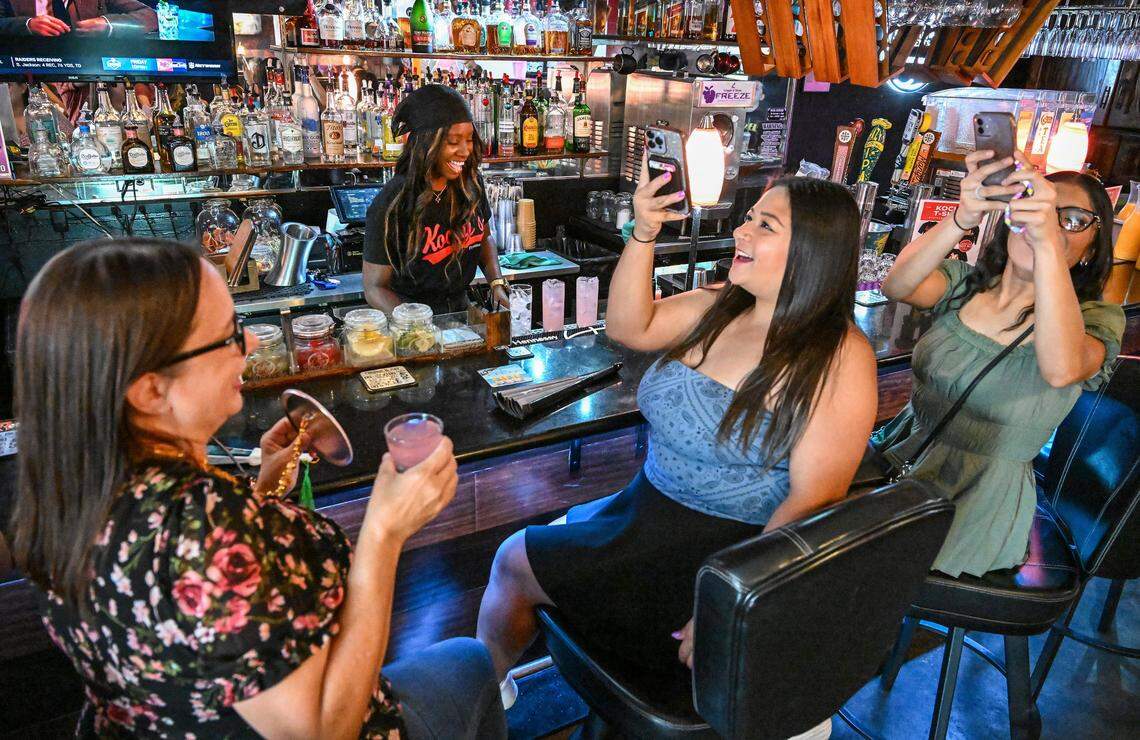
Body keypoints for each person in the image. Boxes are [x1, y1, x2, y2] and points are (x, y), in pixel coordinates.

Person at [7, 238, 507, 739]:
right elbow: (321, 729)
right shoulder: (200, 529)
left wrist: (259, 493)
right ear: (149, 389)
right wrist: (383, 532)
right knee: (469, 660)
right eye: (226, 337)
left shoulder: (64, 491)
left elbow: (204, 617)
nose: (248, 346)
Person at [476, 163, 878, 696]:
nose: (741, 231)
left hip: (722, 553)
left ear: (814, 249)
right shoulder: (721, 307)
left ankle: (483, 694)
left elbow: (813, 498)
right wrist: (642, 235)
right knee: (515, 558)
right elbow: (627, 325)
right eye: (750, 218)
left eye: (766, 226)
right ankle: (484, 695)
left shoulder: (840, 356)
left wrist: (731, 598)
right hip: (646, 507)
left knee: (516, 559)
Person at [878, 151, 1125, 578]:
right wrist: (962, 217)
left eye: (1071, 220)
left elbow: (1062, 368)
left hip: (976, 498)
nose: (1047, 224)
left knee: (858, 572)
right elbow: (898, 283)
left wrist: (1047, 240)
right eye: (1038, 208)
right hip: (901, 457)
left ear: (1091, 249)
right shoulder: (967, 285)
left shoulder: (1092, 321)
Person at [362, 84, 510, 315]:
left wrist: (497, 283)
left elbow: (484, 238)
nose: (465, 150)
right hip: (411, 320)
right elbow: (374, 288)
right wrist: (417, 325)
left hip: (462, 313)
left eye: (469, 139)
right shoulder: (392, 202)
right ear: (426, 144)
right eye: (453, 141)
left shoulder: (470, 184)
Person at [0, 0, 158, 37]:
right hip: (32, 73)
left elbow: (150, 16)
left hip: (89, 72)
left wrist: (107, 24)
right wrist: (28, 25)